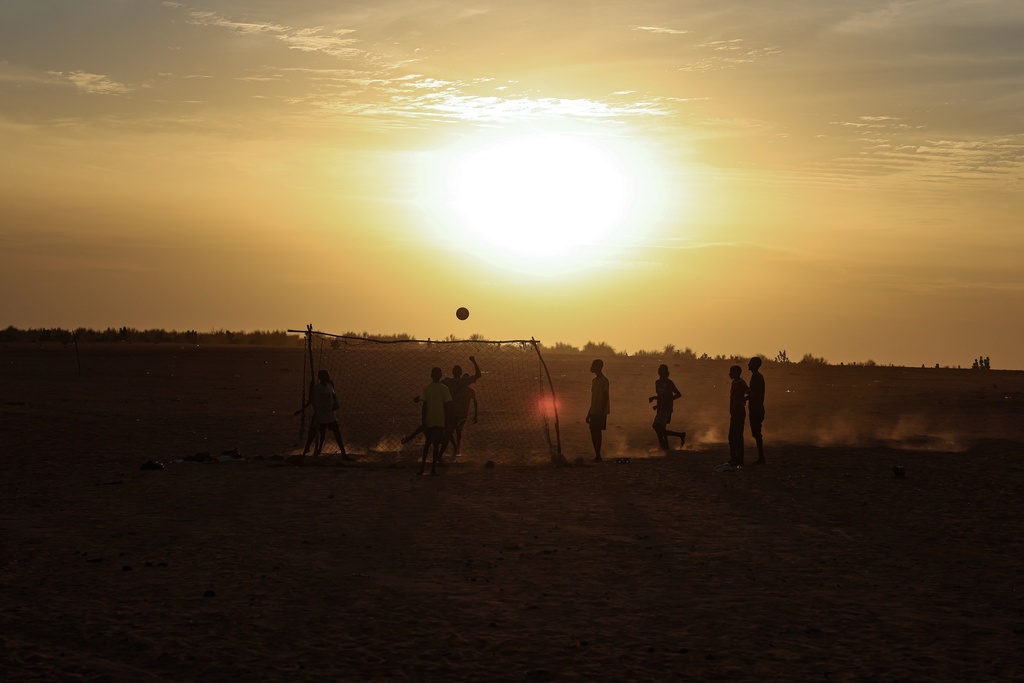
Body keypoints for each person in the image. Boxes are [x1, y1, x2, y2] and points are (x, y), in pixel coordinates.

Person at [296, 369, 348, 458]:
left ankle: (344, 455)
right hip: (320, 414)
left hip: (330, 413)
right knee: (312, 434)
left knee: (337, 433)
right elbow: (312, 400)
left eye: (328, 375)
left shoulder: (330, 385)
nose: (328, 377)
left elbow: (333, 395)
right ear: (321, 377)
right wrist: (302, 409)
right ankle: (305, 453)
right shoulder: (317, 387)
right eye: (326, 375)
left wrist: (336, 404)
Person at [442, 356, 481, 458]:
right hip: (458, 413)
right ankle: (455, 448)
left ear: (452, 372)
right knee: (450, 432)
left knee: (449, 432)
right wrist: (474, 361)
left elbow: (436, 384)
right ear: (461, 373)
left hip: (450, 412)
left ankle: (450, 450)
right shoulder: (464, 382)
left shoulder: (447, 381)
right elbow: (478, 374)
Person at [419, 366, 453, 476]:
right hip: (440, 420)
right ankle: (433, 468)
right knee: (436, 445)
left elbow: (424, 406)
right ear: (441, 376)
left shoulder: (426, 388)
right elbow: (448, 406)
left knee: (427, 445)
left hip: (429, 420)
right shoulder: (445, 388)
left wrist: (423, 421)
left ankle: (422, 467)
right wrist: (448, 420)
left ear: (431, 376)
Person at [648, 364, 686, 453]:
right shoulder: (657, 382)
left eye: (662, 370)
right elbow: (661, 396)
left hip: (666, 408)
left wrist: (668, 400)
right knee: (661, 428)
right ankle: (664, 446)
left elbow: (678, 394)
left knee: (656, 426)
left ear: (666, 372)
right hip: (660, 408)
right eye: (659, 370)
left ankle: (679, 435)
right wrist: (657, 404)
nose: (660, 372)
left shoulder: (669, 383)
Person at [586, 359, 610, 462]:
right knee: (593, 432)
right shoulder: (594, 381)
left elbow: (605, 397)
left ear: (598, 367)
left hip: (600, 411)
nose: (591, 367)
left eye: (593, 365)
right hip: (594, 410)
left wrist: (601, 411)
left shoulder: (604, 380)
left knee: (597, 432)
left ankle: (598, 455)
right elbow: (593, 398)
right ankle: (597, 454)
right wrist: (589, 413)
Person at [728, 364, 749, 468]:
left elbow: (750, 393)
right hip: (734, 413)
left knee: (737, 436)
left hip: (739, 413)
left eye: (731, 372)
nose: (729, 374)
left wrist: (743, 400)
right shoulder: (734, 382)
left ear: (736, 373)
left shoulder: (741, 383)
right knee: (732, 437)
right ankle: (734, 458)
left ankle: (739, 460)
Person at [748, 356, 766, 464]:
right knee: (757, 434)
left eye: (750, 363)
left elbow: (754, 394)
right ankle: (761, 457)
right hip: (757, 408)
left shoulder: (756, 377)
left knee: (757, 434)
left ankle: (761, 458)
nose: (748, 365)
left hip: (756, 409)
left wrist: (744, 398)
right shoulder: (758, 376)